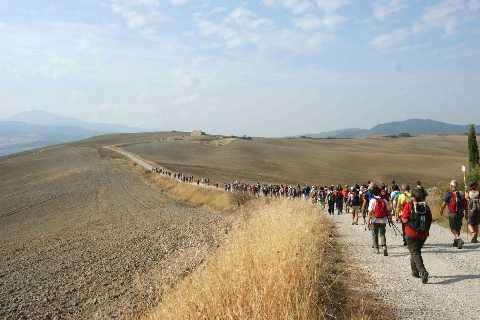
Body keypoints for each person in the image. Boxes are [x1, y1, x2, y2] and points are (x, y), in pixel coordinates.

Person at [402, 187, 432, 284]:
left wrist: (407, 224)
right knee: (414, 251)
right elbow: (430, 220)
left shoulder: (409, 205)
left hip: (411, 233)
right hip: (423, 234)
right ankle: (414, 271)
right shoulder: (426, 207)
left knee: (415, 252)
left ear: (414, 197)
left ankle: (423, 272)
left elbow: (404, 219)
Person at [440, 180, 467, 249]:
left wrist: (441, 211)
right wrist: (466, 213)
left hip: (452, 213)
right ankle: (456, 242)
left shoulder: (448, 194)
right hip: (460, 213)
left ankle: (458, 239)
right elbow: (465, 204)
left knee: (453, 228)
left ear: (451, 186)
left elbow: (444, 204)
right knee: (458, 228)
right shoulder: (461, 193)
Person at [368, 185, 391, 256]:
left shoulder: (372, 200)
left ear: (373, 193)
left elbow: (370, 211)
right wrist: (390, 219)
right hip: (383, 220)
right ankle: (384, 247)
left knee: (375, 234)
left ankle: (377, 249)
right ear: (380, 192)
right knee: (382, 234)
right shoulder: (384, 200)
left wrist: (368, 220)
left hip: (375, 220)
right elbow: (388, 210)